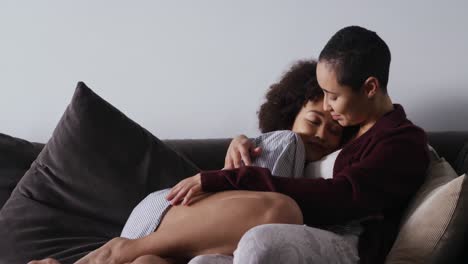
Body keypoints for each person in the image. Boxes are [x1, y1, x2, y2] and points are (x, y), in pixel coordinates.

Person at [29, 60, 346, 264]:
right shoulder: (285, 142)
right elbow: (262, 210)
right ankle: (111, 253)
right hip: (169, 215)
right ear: (291, 115)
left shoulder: (325, 164)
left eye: (334, 129)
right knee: (280, 212)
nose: (321, 133)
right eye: (314, 120)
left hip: (175, 235)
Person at [201, 26, 430, 263]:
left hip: (353, 244)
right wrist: (244, 142)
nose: (327, 106)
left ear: (370, 88)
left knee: (260, 243)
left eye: (333, 96)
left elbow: (343, 195)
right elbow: (288, 148)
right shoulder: (348, 127)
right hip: (304, 226)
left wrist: (234, 178)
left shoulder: (403, 142)